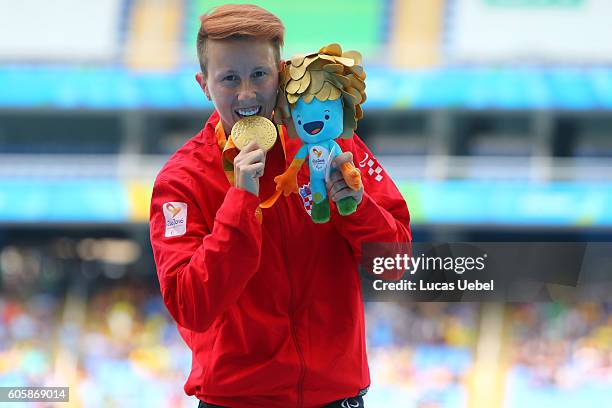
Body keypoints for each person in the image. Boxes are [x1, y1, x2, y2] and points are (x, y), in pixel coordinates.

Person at [149, 4, 412, 408]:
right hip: (235, 400)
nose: (247, 94)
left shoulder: (332, 146)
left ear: (281, 72)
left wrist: (357, 209)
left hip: (337, 396)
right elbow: (191, 307)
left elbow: (395, 266)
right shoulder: (182, 180)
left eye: (259, 74)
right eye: (229, 79)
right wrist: (240, 199)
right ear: (204, 84)